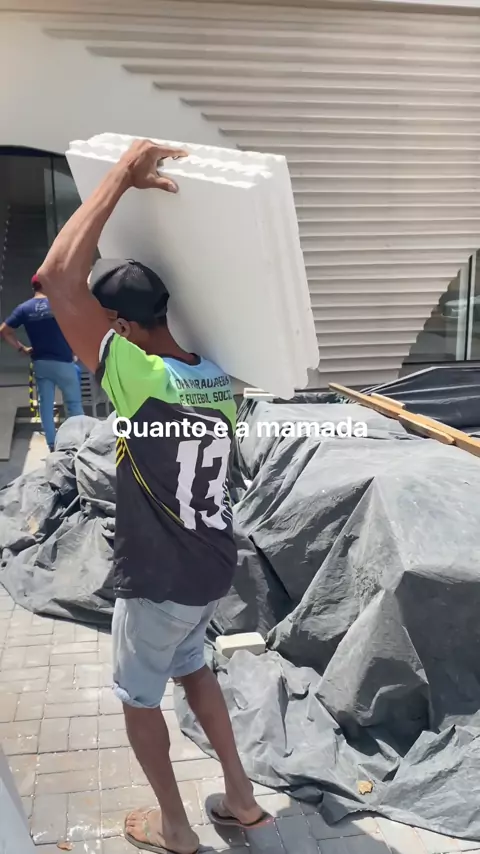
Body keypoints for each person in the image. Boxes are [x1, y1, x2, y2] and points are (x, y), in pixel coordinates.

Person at [35, 139, 271, 854]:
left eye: (106, 326)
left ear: (123, 329)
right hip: (209, 565)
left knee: (139, 698)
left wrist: (121, 175)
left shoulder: (140, 380)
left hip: (160, 578)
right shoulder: (214, 374)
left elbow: (55, 277)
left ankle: (175, 828)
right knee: (193, 666)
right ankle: (242, 800)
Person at [0, 275, 84, 451]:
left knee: (45, 406)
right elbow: (77, 326)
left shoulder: (24, 309)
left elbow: (4, 331)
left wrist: (21, 349)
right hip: (63, 362)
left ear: (34, 287)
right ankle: (78, 443)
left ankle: (52, 445)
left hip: (41, 363)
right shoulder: (59, 304)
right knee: (73, 404)